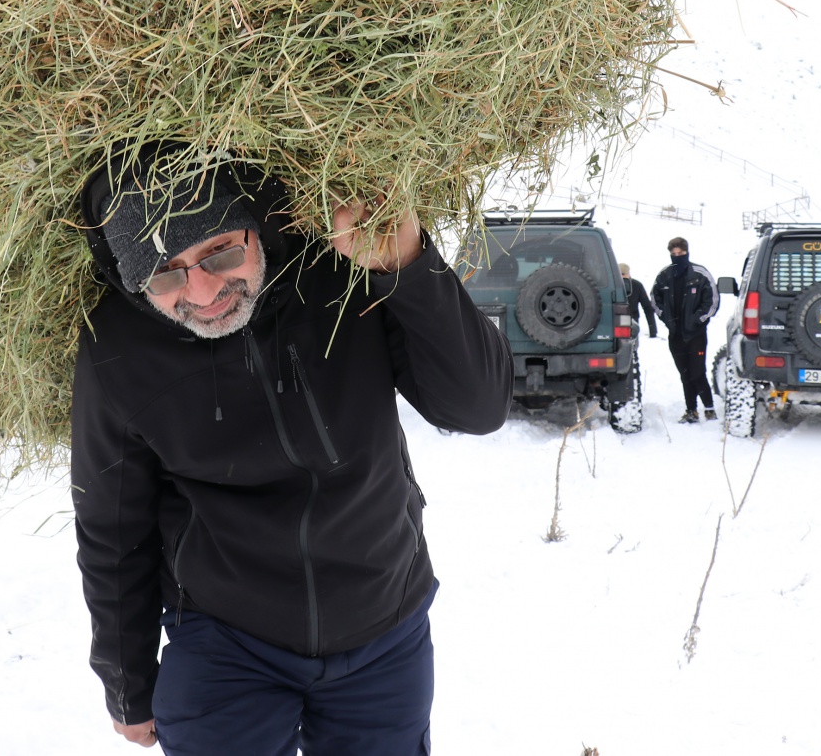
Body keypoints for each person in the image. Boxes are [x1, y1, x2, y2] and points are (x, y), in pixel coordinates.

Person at [72, 150, 512, 755]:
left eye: (218, 251)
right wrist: (127, 682)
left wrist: (408, 267)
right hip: (227, 642)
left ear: (256, 222)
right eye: (164, 272)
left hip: (384, 620)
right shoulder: (116, 349)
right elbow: (112, 528)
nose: (200, 291)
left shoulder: (341, 273)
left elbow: (479, 407)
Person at [651, 236, 716, 423]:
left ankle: (709, 408)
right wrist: (665, 318)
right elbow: (655, 299)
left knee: (697, 372)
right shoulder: (665, 275)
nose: (677, 256)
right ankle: (691, 410)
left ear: (687, 252)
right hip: (675, 334)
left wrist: (698, 320)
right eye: (674, 254)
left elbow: (712, 301)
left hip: (696, 334)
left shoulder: (700, 273)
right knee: (685, 374)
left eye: (681, 253)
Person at [619, 261, 659, 339]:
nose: (621, 276)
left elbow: (647, 307)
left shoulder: (637, 285)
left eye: (623, 274)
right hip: (613, 321)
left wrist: (653, 331)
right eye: (619, 274)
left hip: (632, 321)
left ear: (628, 274)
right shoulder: (610, 286)